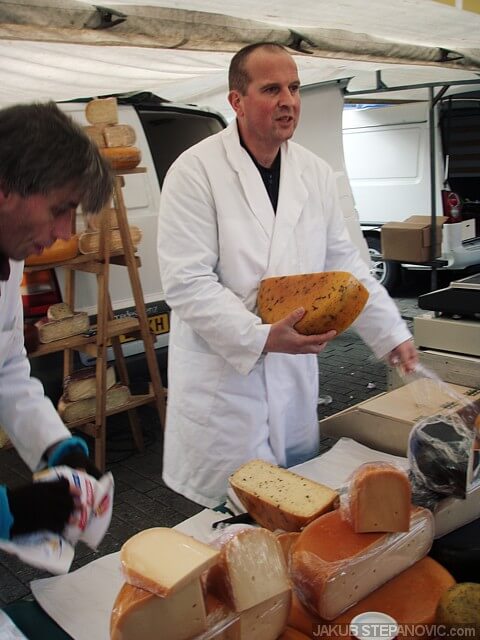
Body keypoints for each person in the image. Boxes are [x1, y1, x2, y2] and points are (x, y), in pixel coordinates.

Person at [157, 43, 417, 508]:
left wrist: (389, 331)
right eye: (271, 89)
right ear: (236, 101)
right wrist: (258, 337)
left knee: (296, 506)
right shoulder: (195, 172)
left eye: (294, 88)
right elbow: (187, 281)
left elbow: (347, 265)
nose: (288, 101)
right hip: (226, 384)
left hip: (292, 378)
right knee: (237, 521)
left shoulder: (314, 173)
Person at [0, 101, 113, 541]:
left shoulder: (9, 259)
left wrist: (55, 446)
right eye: (60, 209)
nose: (67, 231)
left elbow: (7, 368)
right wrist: (9, 512)